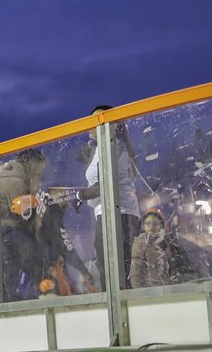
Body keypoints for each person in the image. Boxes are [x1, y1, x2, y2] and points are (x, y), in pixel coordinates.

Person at [0, 148, 54, 303]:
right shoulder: (17, 183)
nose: (40, 176)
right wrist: (36, 197)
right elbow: (24, 220)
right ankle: (38, 282)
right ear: (32, 166)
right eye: (39, 172)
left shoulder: (8, 174)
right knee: (21, 246)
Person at [76, 105, 141, 290]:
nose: (91, 125)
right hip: (108, 213)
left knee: (115, 269)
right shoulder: (102, 148)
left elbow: (105, 184)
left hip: (118, 214)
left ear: (112, 125)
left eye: (98, 119)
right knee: (108, 267)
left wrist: (78, 195)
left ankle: (118, 310)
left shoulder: (113, 146)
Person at [129, 209, 170, 288]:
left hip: (165, 289)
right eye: (148, 223)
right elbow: (135, 271)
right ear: (143, 226)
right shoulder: (141, 243)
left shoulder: (166, 243)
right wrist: (139, 292)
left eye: (155, 223)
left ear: (161, 225)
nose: (151, 226)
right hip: (148, 291)